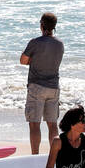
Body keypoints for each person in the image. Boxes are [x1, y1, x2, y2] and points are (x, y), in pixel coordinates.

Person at [20, 12, 64, 155]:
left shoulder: (35, 42)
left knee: (34, 124)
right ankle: (55, 155)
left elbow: (23, 60)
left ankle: (35, 154)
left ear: (41, 25)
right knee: (52, 125)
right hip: (54, 87)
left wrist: (35, 59)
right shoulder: (59, 44)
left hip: (37, 86)